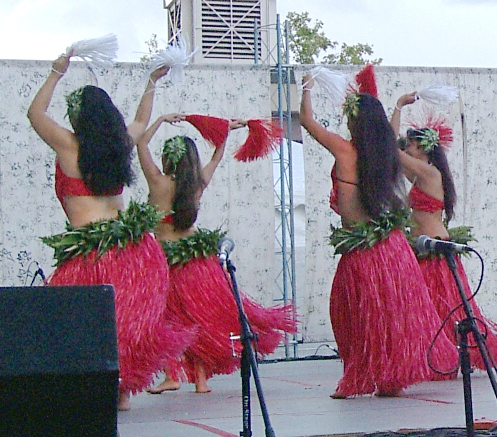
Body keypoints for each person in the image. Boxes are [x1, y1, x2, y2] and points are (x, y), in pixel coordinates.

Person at [28, 54, 193, 410]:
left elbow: (35, 115)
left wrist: (57, 72)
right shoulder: (121, 143)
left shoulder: (69, 145)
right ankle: (119, 395)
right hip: (135, 253)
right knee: (121, 327)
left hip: (93, 256)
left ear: (78, 117)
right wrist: (151, 82)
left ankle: (98, 396)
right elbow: (140, 120)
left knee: (69, 325)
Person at [301, 73, 457, 398]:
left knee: (349, 314)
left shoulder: (346, 151)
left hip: (366, 250)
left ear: (354, 120)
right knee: (379, 315)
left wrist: (307, 86)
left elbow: (306, 121)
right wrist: (397, 105)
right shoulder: (383, 154)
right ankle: (387, 380)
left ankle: (364, 378)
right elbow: (391, 135)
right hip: (392, 250)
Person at [137, 113, 297, 394]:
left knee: (166, 319)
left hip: (168, 263)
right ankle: (200, 381)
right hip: (198, 262)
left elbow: (140, 144)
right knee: (197, 320)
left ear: (167, 159)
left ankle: (172, 376)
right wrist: (225, 132)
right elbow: (217, 156)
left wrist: (161, 119)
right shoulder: (199, 182)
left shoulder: (158, 183)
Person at [391, 93, 497, 371]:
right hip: (423, 248)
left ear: (424, 149)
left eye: (411, 144)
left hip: (435, 250)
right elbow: (391, 147)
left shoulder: (429, 173)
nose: (406, 147)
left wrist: (398, 106)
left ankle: (449, 358)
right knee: (430, 309)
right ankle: (438, 358)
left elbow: (390, 148)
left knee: (443, 308)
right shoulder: (419, 173)